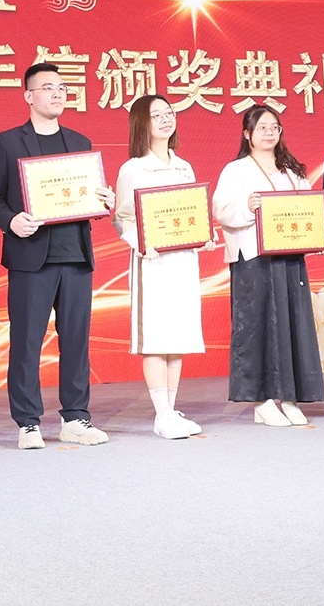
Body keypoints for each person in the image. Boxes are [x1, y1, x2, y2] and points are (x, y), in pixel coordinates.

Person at [0, 64, 114, 450]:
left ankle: (76, 417)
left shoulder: (79, 141)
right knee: (27, 342)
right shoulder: (8, 142)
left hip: (75, 256)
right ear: (28, 96)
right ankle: (27, 422)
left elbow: (87, 195)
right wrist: (11, 221)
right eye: (47, 88)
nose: (57, 94)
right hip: (30, 257)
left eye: (62, 88)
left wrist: (104, 201)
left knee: (76, 341)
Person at [212, 104, 324, 427]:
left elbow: (307, 209)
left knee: (293, 325)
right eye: (261, 127)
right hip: (253, 259)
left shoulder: (292, 171)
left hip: (289, 257)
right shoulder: (236, 170)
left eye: (274, 127)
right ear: (247, 134)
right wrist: (248, 207)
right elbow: (221, 210)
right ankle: (262, 400)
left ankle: (289, 397)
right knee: (257, 327)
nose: (269, 133)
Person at [113, 94, 213, 439]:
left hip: (183, 261)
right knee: (157, 339)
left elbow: (192, 211)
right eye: (157, 115)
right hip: (152, 262)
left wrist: (204, 235)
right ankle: (162, 413)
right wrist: (141, 244)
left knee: (177, 336)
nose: (166, 119)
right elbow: (123, 218)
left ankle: (170, 411)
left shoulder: (184, 166)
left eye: (169, 113)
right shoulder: (133, 168)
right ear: (142, 123)